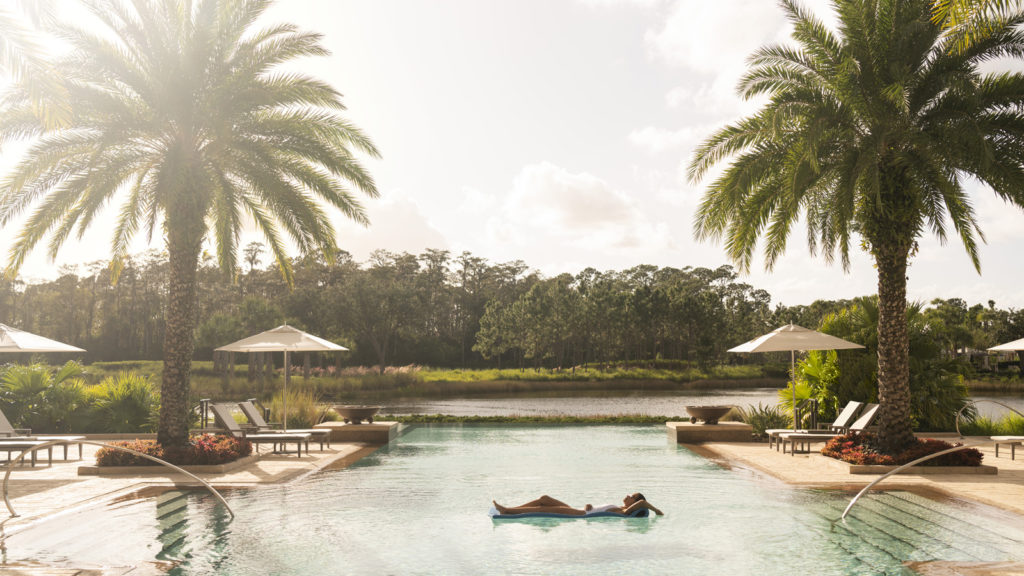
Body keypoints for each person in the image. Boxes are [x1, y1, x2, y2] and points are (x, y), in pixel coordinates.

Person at [492, 493, 663, 516]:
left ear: (634, 503)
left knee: (542, 508)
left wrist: (657, 511)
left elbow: (643, 502)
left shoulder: (624, 512)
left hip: (580, 515)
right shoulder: (620, 508)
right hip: (580, 509)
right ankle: (510, 508)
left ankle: (506, 510)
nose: (627, 496)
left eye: (631, 496)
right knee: (544, 498)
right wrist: (590, 504)